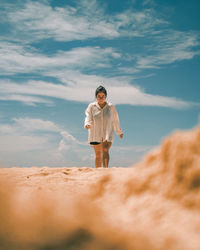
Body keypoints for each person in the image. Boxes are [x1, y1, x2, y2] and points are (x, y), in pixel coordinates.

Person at [84, 85, 123, 168]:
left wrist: (119, 131)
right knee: (98, 154)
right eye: (99, 96)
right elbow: (88, 116)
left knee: (105, 150)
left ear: (105, 96)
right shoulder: (92, 106)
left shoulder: (110, 107)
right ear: (96, 96)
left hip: (107, 133)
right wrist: (87, 123)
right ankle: (98, 173)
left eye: (103, 96)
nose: (101, 98)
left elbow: (115, 119)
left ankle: (105, 171)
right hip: (95, 133)